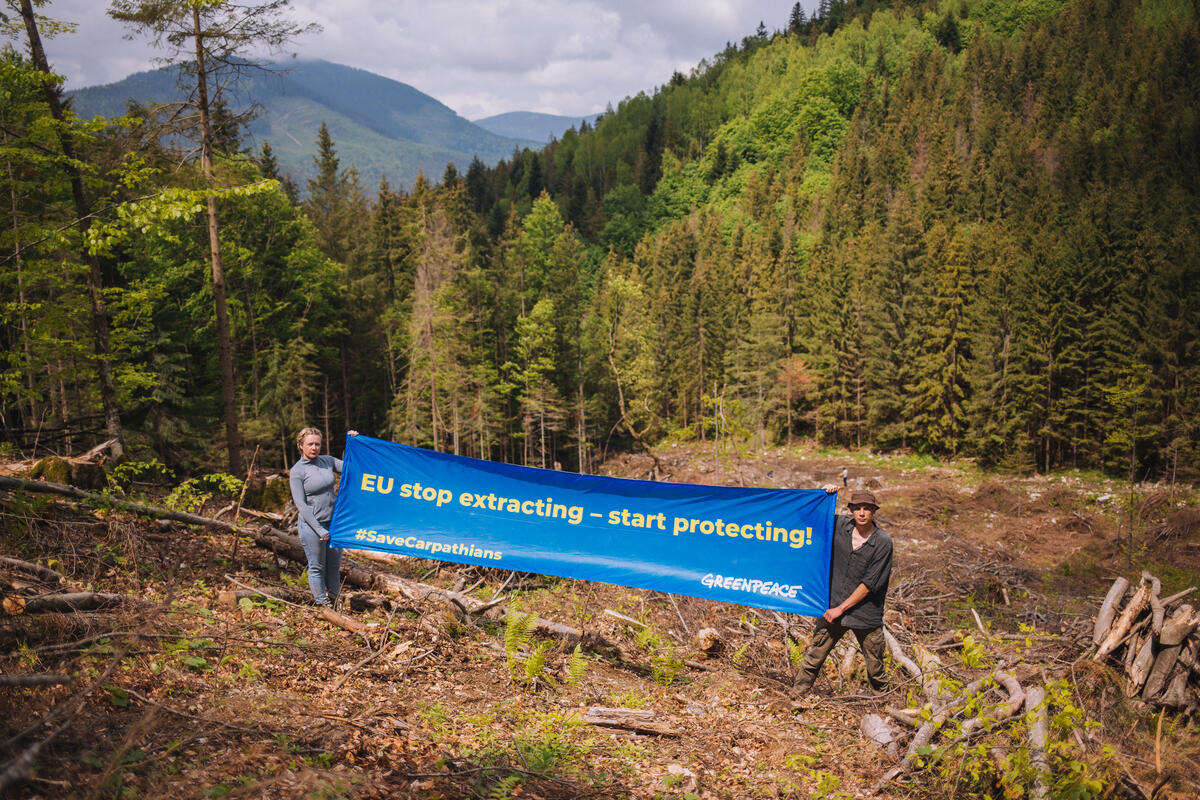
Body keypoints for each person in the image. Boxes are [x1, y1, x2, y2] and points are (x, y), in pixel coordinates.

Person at [793, 487, 893, 695]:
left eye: (867, 508)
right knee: (814, 657)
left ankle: (885, 707)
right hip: (833, 609)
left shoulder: (883, 543)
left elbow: (869, 583)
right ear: (851, 510)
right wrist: (823, 495)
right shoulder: (840, 525)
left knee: (875, 668)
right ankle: (796, 696)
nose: (862, 513)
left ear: (874, 511)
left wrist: (841, 608)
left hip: (865, 614)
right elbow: (806, 516)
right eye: (857, 508)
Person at [289, 426, 356, 607]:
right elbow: (301, 505)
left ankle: (336, 600)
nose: (314, 448)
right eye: (310, 444)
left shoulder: (327, 461)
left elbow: (351, 466)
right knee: (317, 566)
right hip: (312, 526)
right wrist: (319, 529)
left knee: (334, 567)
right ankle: (322, 603)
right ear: (301, 445)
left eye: (317, 444)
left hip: (334, 523)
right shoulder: (297, 471)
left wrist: (354, 442)